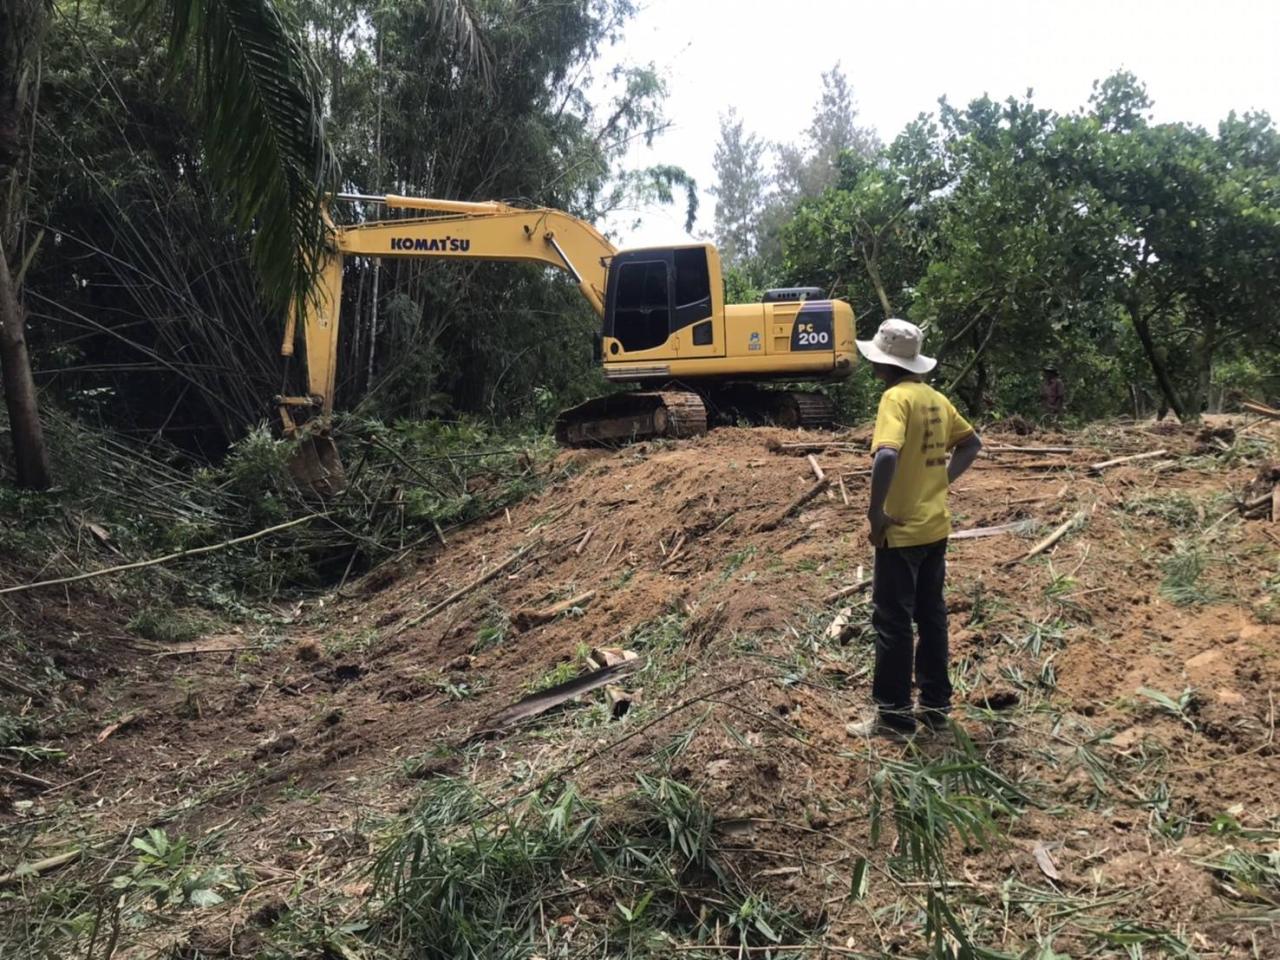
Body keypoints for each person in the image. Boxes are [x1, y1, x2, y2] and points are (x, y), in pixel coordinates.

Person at [846, 318, 983, 740]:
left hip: (900, 531)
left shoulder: (895, 399)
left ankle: (893, 716)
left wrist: (875, 514)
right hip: (935, 528)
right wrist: (940, 481)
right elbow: (971, 443)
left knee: (892, 622)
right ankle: (936, 709)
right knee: (932, 616)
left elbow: (885, 456)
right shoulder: (936, 399)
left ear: (884, 363)